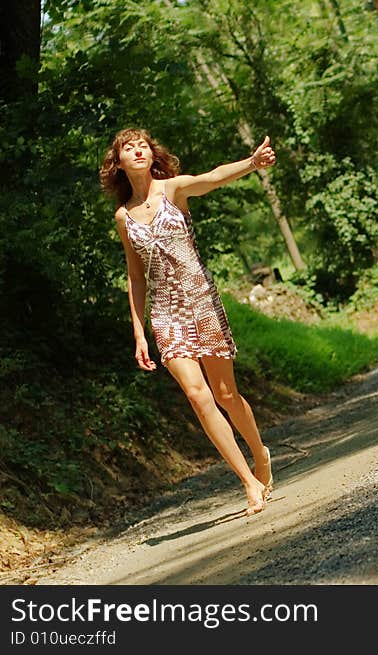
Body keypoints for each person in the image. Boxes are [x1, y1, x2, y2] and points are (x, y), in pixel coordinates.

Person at [99, 128, 277, 516]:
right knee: (198, 397)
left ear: (151, 154)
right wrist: (138, 330)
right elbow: (135, 275)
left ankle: (260, 455)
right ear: (119, 163)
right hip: (166, 314)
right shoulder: (123, 217)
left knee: (226, 394)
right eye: (128, 148)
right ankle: (248, 481)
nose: (138, 151)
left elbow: (212, 178)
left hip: (201, 301)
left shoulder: (173, 190)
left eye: (143, 145)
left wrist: (251, 163)